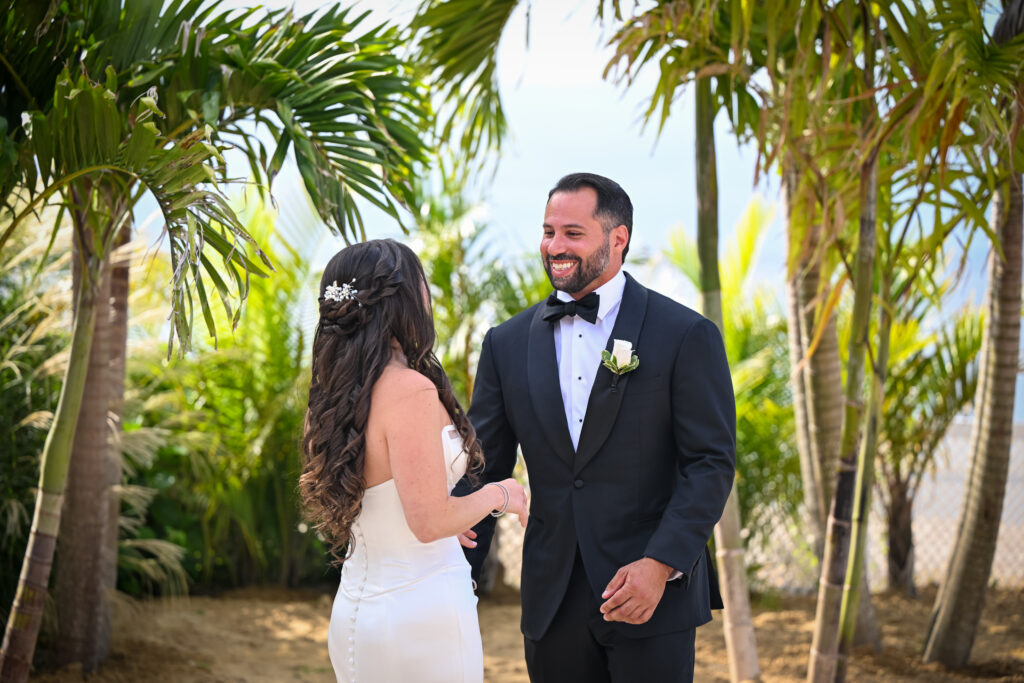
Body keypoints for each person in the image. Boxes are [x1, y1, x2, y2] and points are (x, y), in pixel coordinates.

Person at [459, 173, 736, 682]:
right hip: (552, 597)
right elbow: (484, 470)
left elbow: (710, 464)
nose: (554, 247)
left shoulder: (686, 335)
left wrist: (660, 564)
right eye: (548, 232)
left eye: (572, 233)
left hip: (652, 598)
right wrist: (455, 578)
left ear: (618, 239)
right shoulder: (506, 343)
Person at [299, 239, 528, 683]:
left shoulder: (331, 396)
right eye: (422, 285)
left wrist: (448, 515)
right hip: (421, 617)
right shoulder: (410, 390)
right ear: (401, 301)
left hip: (356, 610)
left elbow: (390, 501)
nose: (428, 296)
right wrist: (501, 494)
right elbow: (427, 522)